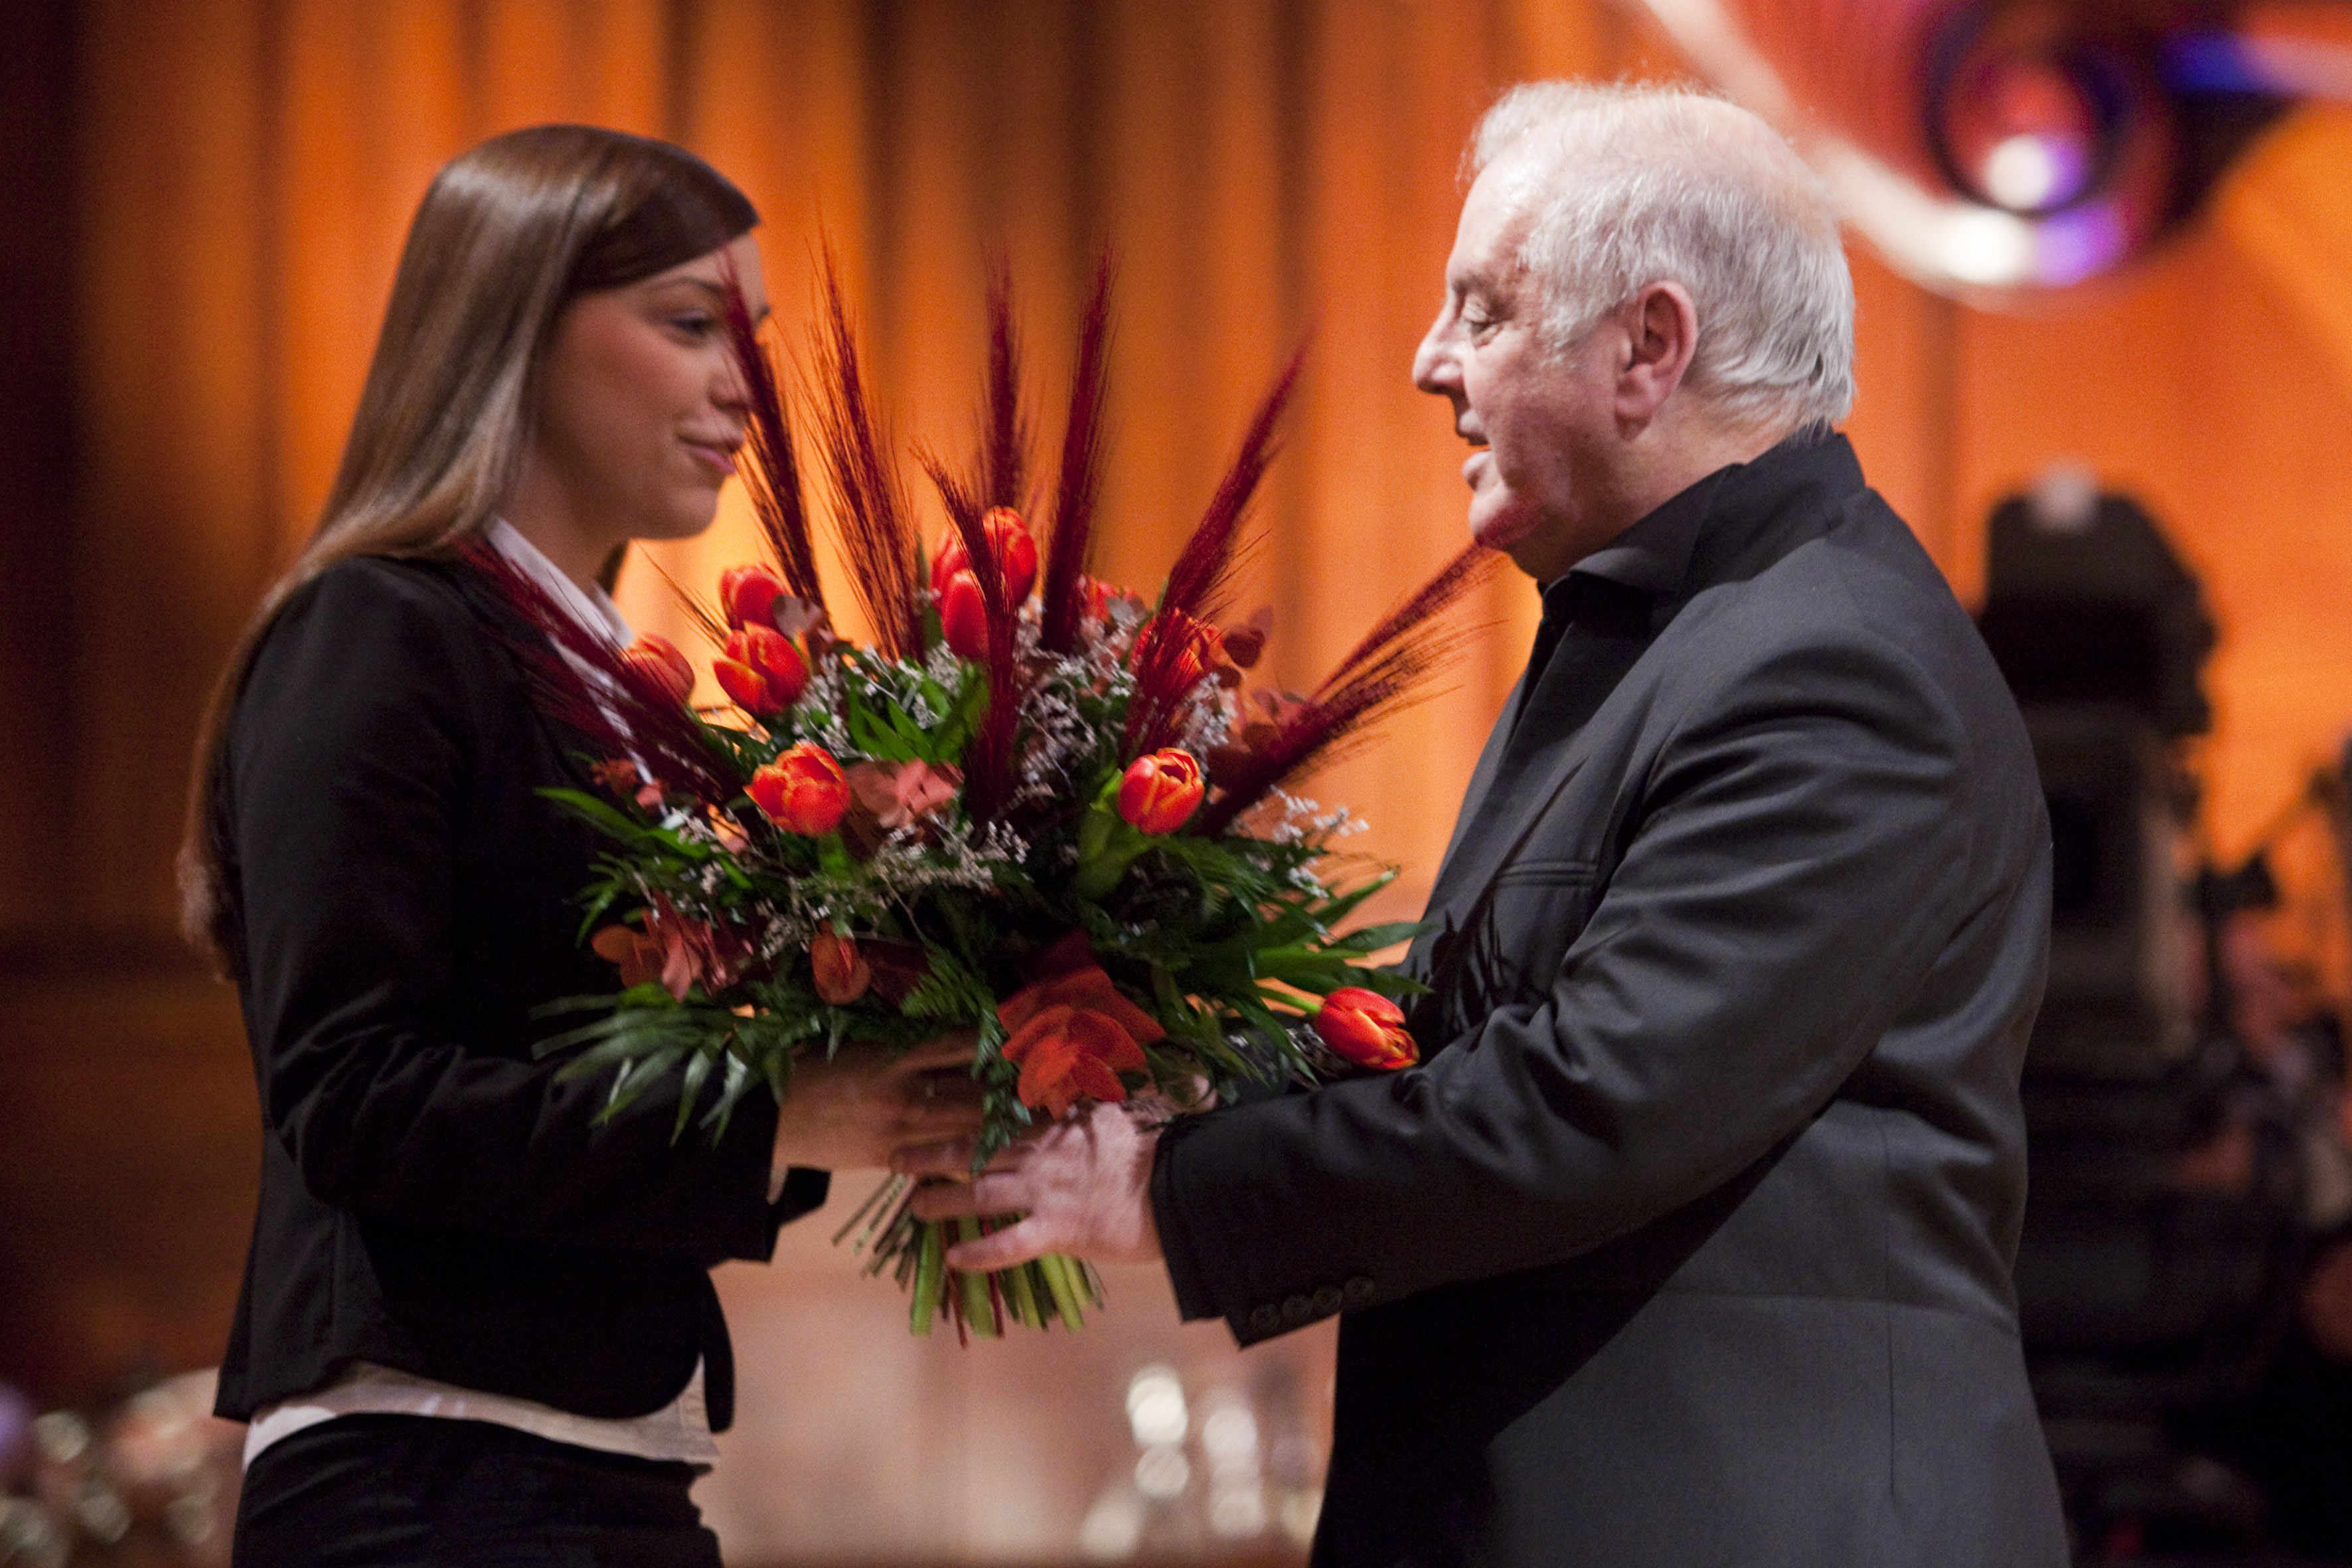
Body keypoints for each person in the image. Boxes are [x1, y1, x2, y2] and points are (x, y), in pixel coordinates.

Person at [903, 82, 2070, 1565]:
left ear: (1647, 347)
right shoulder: (1672, 630)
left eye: (1483, 310)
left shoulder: (1832, 664)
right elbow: (1459, 1039)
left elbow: (1594, 1100)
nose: (1429, 360)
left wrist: (1164, 1187)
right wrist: (1142, 1069)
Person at [179, 125, 980, 1566]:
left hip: (595, 1471)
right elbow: (352, 1095)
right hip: (425, 1476)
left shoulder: (606, 682)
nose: (745, 388)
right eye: (690, 325)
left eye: (751, 337)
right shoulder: (380, 626)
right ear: (517, 329)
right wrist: (779, 1115)